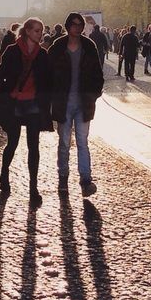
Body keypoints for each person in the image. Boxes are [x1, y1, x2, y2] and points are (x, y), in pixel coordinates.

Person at [0, 16, 52, 203]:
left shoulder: (42, 54)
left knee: (33, 146)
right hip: (15, 103)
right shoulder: (12, 51)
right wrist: (8, 93)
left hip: (34, 104)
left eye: (41, 31)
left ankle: (33, 188)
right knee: (12, 143)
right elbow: (0, 77)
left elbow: (48, 80)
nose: (40, 34)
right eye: (36, 31)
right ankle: (4, 174)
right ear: (27, 31)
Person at [48, 12, 104, 199]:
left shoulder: (89, 46)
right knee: (64, 143)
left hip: (84, 103)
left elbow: (98, 73)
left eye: (80, 24)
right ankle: (63, 177)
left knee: (83, 142)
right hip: (63, 103)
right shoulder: (57, 47)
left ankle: (86, 181)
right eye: (74, 24)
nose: (78, 27)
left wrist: (94, 94)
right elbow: (47, 73)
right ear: (67, 26)